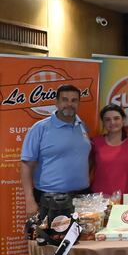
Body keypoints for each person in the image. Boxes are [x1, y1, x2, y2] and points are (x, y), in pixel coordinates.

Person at [21, 84, 91, 216]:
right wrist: (29, 200)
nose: (69, 104)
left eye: (74, 100)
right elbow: (26, 165)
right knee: (49, 237)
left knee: (82, 236)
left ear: (78, 103)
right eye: (65, 100)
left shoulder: (82, 126)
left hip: (82, 197)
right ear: (57, 103)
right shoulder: (39, 128)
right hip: (49, 199)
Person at [90, 104, 128, 198]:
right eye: (107, 119)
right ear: (103, 122)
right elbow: (87, 169)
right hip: (99, 199)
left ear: (123, 120)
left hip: (126, 198)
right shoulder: (95, 142)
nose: (112, 122)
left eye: (116, 118)